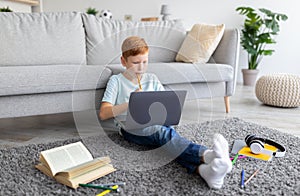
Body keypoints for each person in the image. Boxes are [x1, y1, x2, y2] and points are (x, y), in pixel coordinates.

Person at [99, 36, 232, 189]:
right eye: (135, 63)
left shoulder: (152, 79)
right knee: (163, 134)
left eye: (145, 62)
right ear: (124, 61)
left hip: (156, 122)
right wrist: (130, 103)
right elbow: (104, 114)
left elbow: (164, 104)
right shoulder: (116, 81)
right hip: (129, 128)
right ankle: (207, 155)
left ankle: (204, 171)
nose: (141, 67)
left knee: (167, 140)